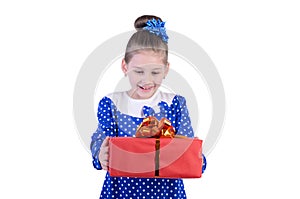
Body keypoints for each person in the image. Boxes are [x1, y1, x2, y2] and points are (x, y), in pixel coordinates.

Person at [90, 15, 201, 199]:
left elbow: (190, 155)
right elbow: (101, 138)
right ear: (125, 67)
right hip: (121, 192)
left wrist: (192, 154)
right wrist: (100, 155)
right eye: (139, 71)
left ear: (166, 69)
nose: (147, 80)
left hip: (167, 193)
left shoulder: (175, 104)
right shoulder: (111, 104)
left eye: (155, 72)